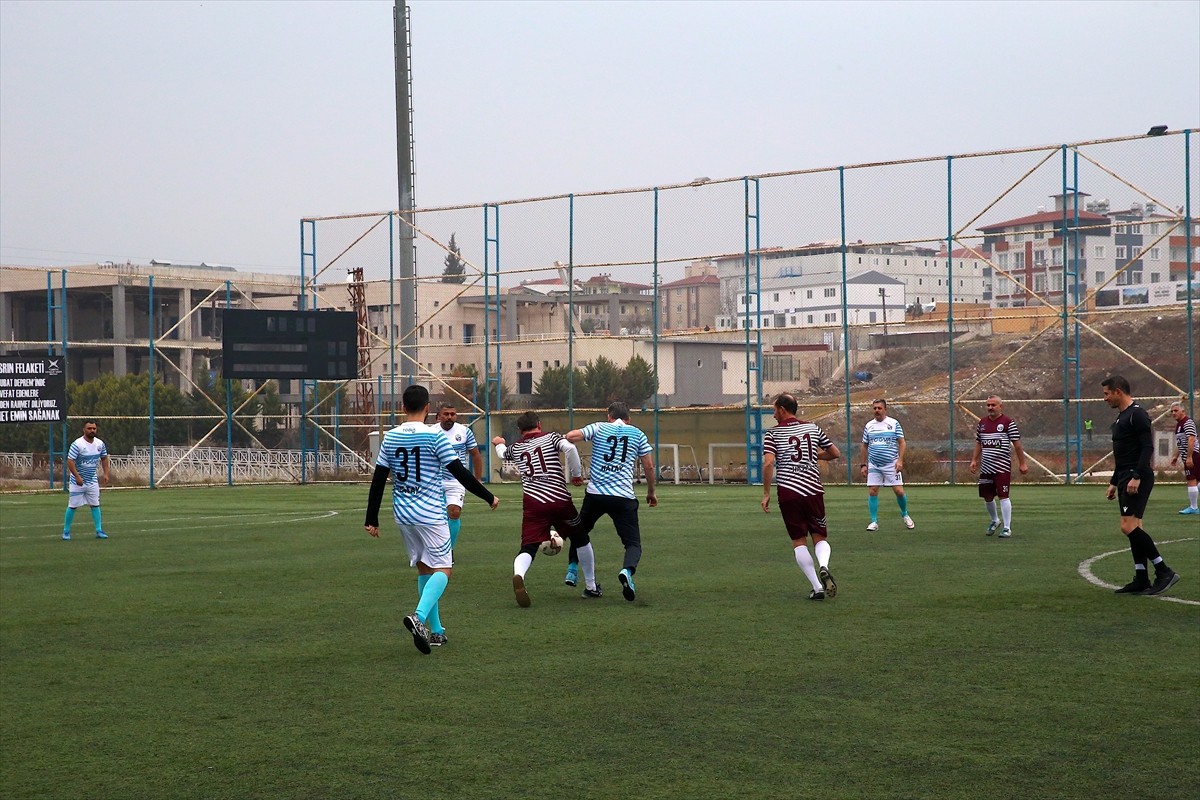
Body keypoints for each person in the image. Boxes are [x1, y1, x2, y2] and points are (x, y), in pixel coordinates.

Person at [364, 385, 499, 654]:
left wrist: (372, 518)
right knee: (444, 569)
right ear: (428, 409)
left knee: (425, 568)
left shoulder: (389, 437)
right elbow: (459, 472)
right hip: (430, 514)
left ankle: (435, 632)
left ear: (402, 408)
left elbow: (379, 478)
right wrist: (488, 496)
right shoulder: (434, 437)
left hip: (403, 515)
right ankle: (419, 616)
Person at [493, 411, 596, 607]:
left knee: (529, 546)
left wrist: (499, 442)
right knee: (581, 538)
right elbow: (570, 449)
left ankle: (519, 574)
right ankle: (591, 586)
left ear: (520, 430)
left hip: (533, 504)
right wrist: (575, 474)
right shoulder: (552, 437)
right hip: (559, 500)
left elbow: (501, 453)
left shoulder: (516, 447)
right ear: (539, 424)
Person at [566, 401, 657, 602]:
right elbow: (649, 467)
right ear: (628, 418)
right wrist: (651, 492)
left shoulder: (599, 427)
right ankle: (627, 571)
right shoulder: (638, 434)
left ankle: (572, 568)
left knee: (579, 532)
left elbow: (571, 437)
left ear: (609, 416)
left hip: (596, 495)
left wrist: (566, 440)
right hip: (623, 497)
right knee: (633, 544)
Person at [1102, 375, 1179, 596]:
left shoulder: (1137, 414)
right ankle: (1141, 578)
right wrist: (1114, 482)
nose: (1105, 398)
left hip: (1137, 477)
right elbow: (1122, 455)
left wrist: (1136, 475)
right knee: (1135, 527)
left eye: (1107, 394)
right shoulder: (1121, 418)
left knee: (1127, 527)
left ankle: (1164, 571)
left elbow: (1147, 447)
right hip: (1125, 476)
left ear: (1118, 391)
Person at [761, 394, 841, 600]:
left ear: (781, 409)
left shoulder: (773, 434)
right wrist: (814, 456)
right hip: (813, 490)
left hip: (789, 492)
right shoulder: (813, 428)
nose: (773, 414)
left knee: (798, 540)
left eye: (774, 409)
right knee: (819, 536)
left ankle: (817, 587)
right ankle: (824, 565)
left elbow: (769, 463)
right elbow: (835, 453)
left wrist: (766, 493)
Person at [968, 395, 1029, 538]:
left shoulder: (1008, 422)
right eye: (988, 405)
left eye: (993, 405)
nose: (990, 408)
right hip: (986, 467)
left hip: (1002, 467)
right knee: (987, 497)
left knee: (1003, 496)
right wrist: (974, 460)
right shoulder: (982, 423)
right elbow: (979, 443)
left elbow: (1017, 445)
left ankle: (1007, 528)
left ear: (1000, 406)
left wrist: (1022, 463)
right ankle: (995, 520)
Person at [430, 402, 484, 551]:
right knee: (436, 516)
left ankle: (448, 551)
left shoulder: (464, 431)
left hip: (457, 480)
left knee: (454, 512)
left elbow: (475, 454)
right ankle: (433, 547)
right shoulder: (431, 432)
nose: (449, 417)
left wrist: (477, 479)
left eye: (452, 414)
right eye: (446, 414)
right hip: (435, 479)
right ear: (439, 416)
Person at [858, 398, 915, 531]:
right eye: (874, 408)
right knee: (873, 491)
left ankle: (905, 514)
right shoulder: (869, 426)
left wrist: (900, 460)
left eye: (879, 408)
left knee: (899, 491)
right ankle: (874, 522)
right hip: (874, 464)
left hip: (891, 464)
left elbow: (902, 442)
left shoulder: (893, 423)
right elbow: (864, 445)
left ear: (885, 409)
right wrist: (863, 465)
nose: (876, 411)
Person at [63, 419, 110, 540]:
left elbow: (104, 458)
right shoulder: (77, 444)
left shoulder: (100, 444)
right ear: (84, 430)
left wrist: (106, 474)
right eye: (89, 428)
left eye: (94, 428)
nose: (92, 430)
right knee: (73, 506)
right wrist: (77, 476)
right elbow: (70, 461)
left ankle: (99, 530)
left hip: (92, 481)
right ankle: (66, 531)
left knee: (95, 505)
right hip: (77, 482)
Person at [1169, 401, 1199, 515]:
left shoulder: (1187, 422)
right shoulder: (1179, 424)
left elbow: (1191, 439)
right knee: (1197, 481)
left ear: (1183, 411)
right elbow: (1181, 442)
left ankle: (1194, 507)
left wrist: (1189, 457)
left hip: (1193, 454)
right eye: (1172, 411)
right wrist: (1175, 456)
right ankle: (1194, 507)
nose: (1173, 413)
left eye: (1176, 410)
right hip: (1190, 455)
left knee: (1191, 480)